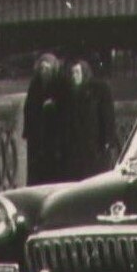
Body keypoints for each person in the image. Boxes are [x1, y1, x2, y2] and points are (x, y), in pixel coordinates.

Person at [22, 51, 111, 184]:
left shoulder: (62, 84)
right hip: (39, 140)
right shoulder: (35, 85)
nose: (44, 71)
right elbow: (29, 108)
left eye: (47, 68)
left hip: (61, 141)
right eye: (42, 68)